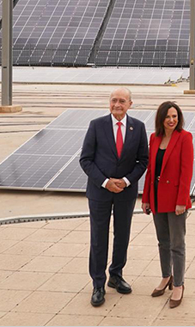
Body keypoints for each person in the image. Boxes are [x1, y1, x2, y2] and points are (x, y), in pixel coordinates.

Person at [79, 87, 148, 307]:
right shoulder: (96, 125)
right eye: (113, 100)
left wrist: (126, 181)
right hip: (99, 191)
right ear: (109, 103)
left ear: (130, 104)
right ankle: (98, 283)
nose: (117, 104)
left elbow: (143, 161)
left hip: (125, 193)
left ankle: (116, 275)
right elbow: (86, 160)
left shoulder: (138, 127)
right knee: (99, 238)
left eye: (122, 101)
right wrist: (106, 182)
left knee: (122, 235)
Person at [141, 101, 193, 308]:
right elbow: (150, 171)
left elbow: (186, 172)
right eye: (168, 117)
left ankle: (178, 284)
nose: (172, 120)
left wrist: (182, 201)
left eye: (175, 116)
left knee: (177, 245)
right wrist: (145, 198)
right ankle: (166, 276)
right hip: (156, 197)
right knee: (162, 241)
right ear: (161, 119)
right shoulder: (154, 138)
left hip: (175, 200)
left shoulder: (185, 138)